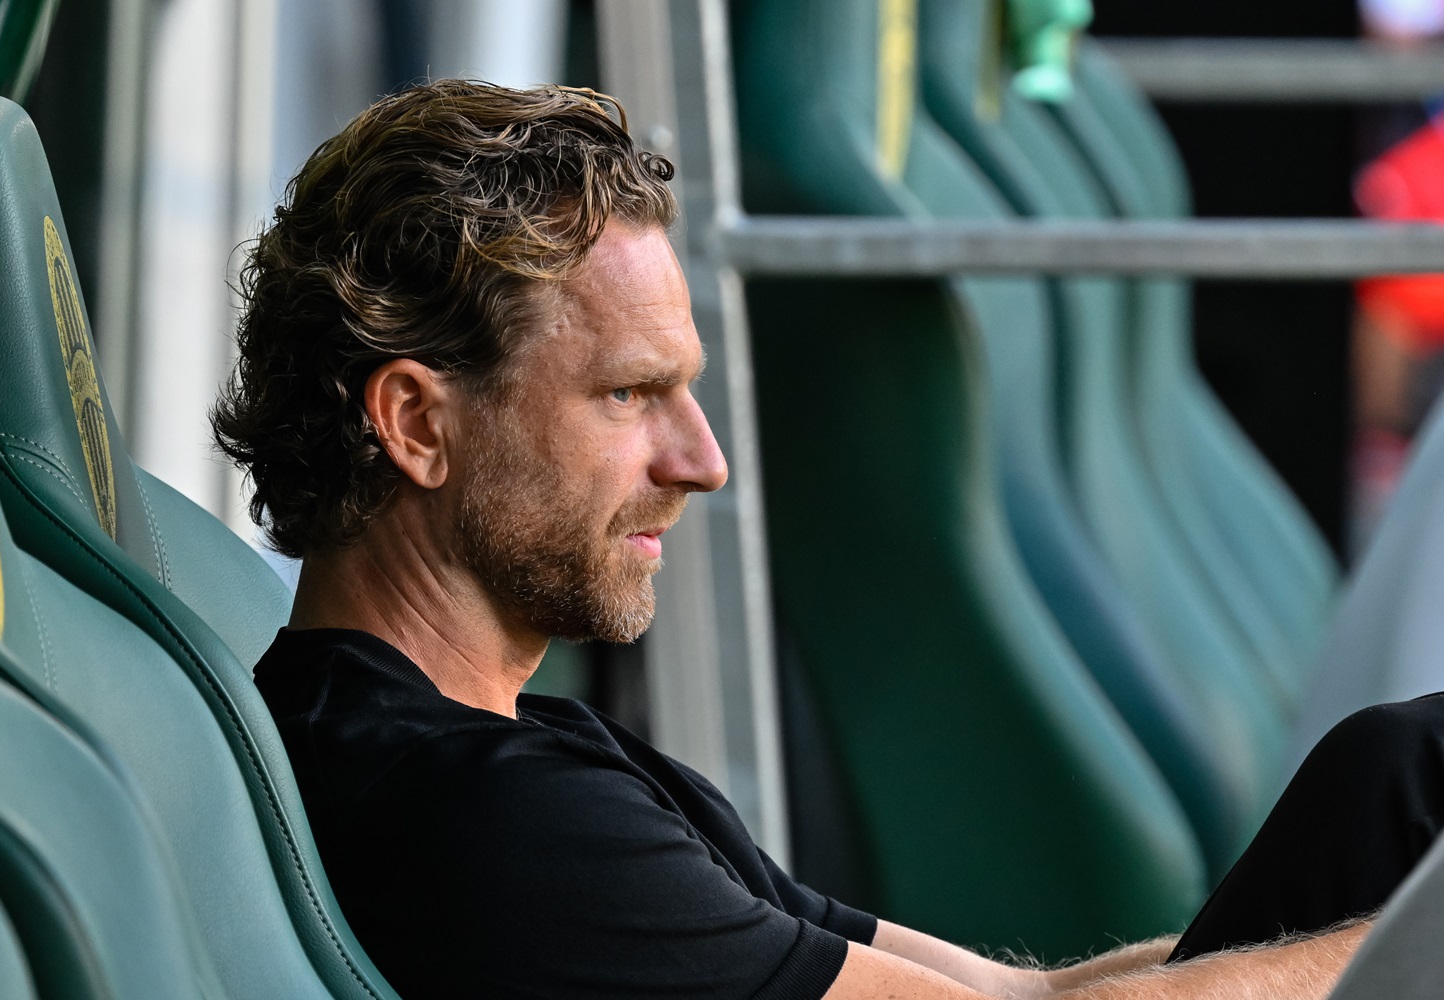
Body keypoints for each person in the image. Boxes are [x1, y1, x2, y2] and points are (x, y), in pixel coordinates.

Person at [215, 79, 1430, 999]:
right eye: (628, 395)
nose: (702, 461)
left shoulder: (515, 750)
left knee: (1397, 775)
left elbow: (1017, 993)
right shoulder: (489, 816)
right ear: (417, 423)